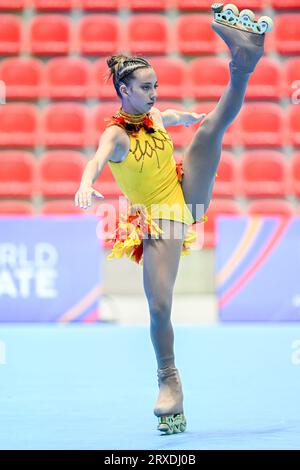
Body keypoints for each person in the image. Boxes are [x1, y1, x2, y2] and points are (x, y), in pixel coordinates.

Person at [75, 4, 273, 435]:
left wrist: (195, 118)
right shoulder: (116, 134)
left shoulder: (158, 116)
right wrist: (87, 183)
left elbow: (179, 117)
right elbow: (95, 159)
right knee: (160, 306)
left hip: (185, 195)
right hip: (158, 216)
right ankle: (169, 377)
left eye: (156, 86)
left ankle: (243, 62)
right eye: (146, 87)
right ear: (124, 90)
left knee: (210, 131)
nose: (153, 94)